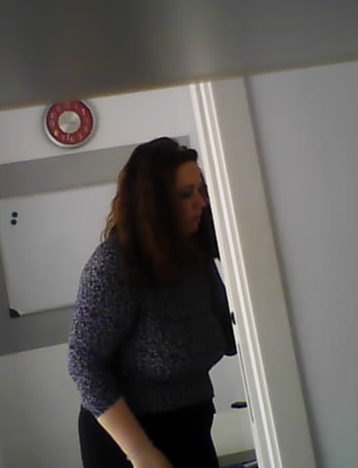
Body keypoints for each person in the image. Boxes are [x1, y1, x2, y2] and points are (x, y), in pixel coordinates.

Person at [68, 137, 237, 468]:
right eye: (186, 194)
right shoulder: (114, 264)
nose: (201, 202)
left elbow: (229, 333)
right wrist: (140, 453)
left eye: (201, 190)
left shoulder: (195, 255)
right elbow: (84, 364)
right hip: (129, 442)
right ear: (153, 203)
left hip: (192, 426)